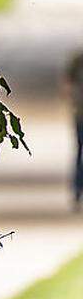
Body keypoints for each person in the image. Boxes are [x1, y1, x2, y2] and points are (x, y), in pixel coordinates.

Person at [65, 50, 83, 209]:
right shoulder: (78, 59)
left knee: (79, 151)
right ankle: (77, 189)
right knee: (79, 151)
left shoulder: (77, 59)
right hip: (81, 114)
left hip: (79, 112)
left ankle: (77, 189)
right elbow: (68, 83)